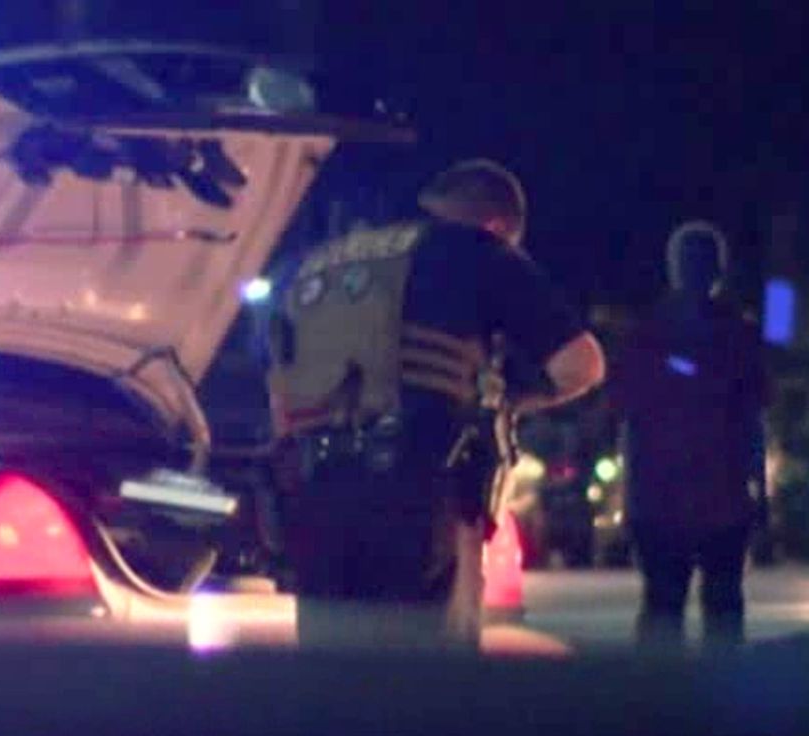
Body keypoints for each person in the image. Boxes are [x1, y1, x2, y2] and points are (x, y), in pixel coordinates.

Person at [269, 159, 605, 647]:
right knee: (427, 687)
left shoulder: (323, 262)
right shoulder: (476, 251)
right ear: (498, 225)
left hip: (315, 497)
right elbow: (581, 364)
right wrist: (504, 399)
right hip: (420, 498)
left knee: (328, 682)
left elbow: (278, 381)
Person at [609, 221, 767, 650]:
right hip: (719, 493)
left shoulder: (648, 334)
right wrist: (760, 493)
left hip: (667, 493)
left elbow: (630, 419)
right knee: (721, 610)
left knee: (666, 607)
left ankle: (661, 707)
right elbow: (753, 419)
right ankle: (717, 706)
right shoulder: (739, 334)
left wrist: (631, 496)